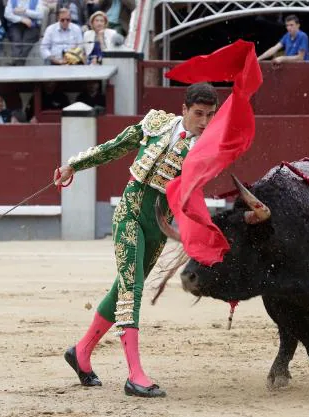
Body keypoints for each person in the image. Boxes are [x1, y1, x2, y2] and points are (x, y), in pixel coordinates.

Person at [54, 82, 218, 398]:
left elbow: (193, 196)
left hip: (159, 227)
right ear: (184, 109)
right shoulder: (155, 123)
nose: (204, 122)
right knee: (133, 288)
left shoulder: (206, 147)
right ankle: (135, 375)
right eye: (198, 114)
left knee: (123, 288)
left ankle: (81, 352)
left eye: (210, 115)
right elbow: (114, 146)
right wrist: (73, 164)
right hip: (130, 211)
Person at [5, 0, 45, 66]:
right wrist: (21, 19)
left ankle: (16, 65)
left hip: (32, 25)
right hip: (16, 24)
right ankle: (19, 65)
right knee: (16, 41)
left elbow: (40, 15)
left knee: (26, 42)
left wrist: (25, 11)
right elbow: (7, 14)